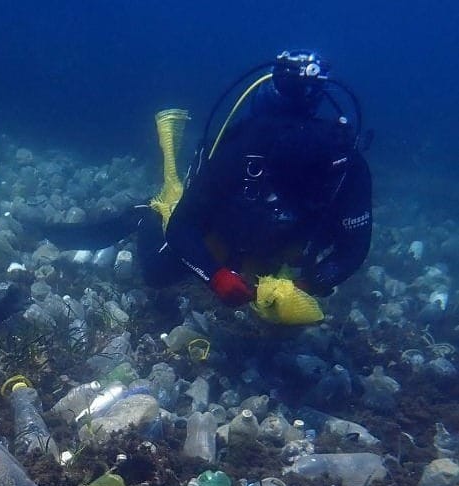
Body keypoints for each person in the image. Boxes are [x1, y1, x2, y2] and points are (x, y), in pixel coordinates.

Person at [44, 50, 373, 307]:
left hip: (282, 251)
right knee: (158, 273)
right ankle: (146, 215)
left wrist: (309, 284)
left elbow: (353, 249)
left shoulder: (346, 169)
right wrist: (216, 276)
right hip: (224, 231)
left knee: (285, 323)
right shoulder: (246, 151)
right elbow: (182, 227)